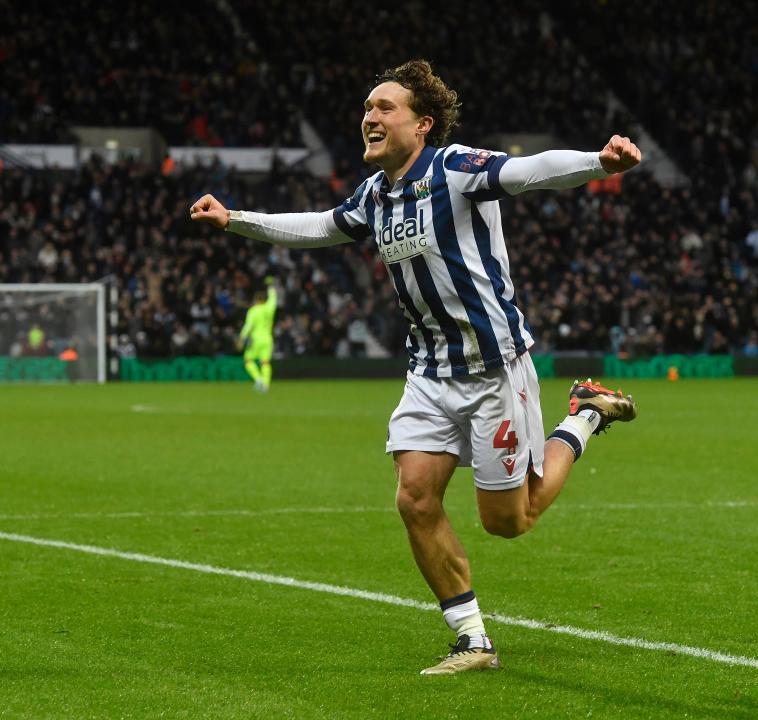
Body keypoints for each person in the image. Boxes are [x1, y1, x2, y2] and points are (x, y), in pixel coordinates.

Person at [190, 59, 639, 674]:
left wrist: (600, 161)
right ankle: (472, 639)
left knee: (510, 521)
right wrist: (235, 219)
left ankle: (583, 417)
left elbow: (530, 171)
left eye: (385, 108)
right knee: (414, 498)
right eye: (368, 108)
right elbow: (322, 227)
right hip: (429, 373)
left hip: (493, 371)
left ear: (423, 123)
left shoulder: (455, 168)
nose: (369, 117)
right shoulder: (377, 195)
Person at [238, 277, 277, 392]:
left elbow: (248, 326)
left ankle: (258, 379)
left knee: (248, 361)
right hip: (268, 338)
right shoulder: (269, 308)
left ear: (256, 299)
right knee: (265, 362)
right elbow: (274, 298)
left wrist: (241, 338)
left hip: (256, 339)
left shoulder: (253, 311)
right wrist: (271, 287)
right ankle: (265, 384)